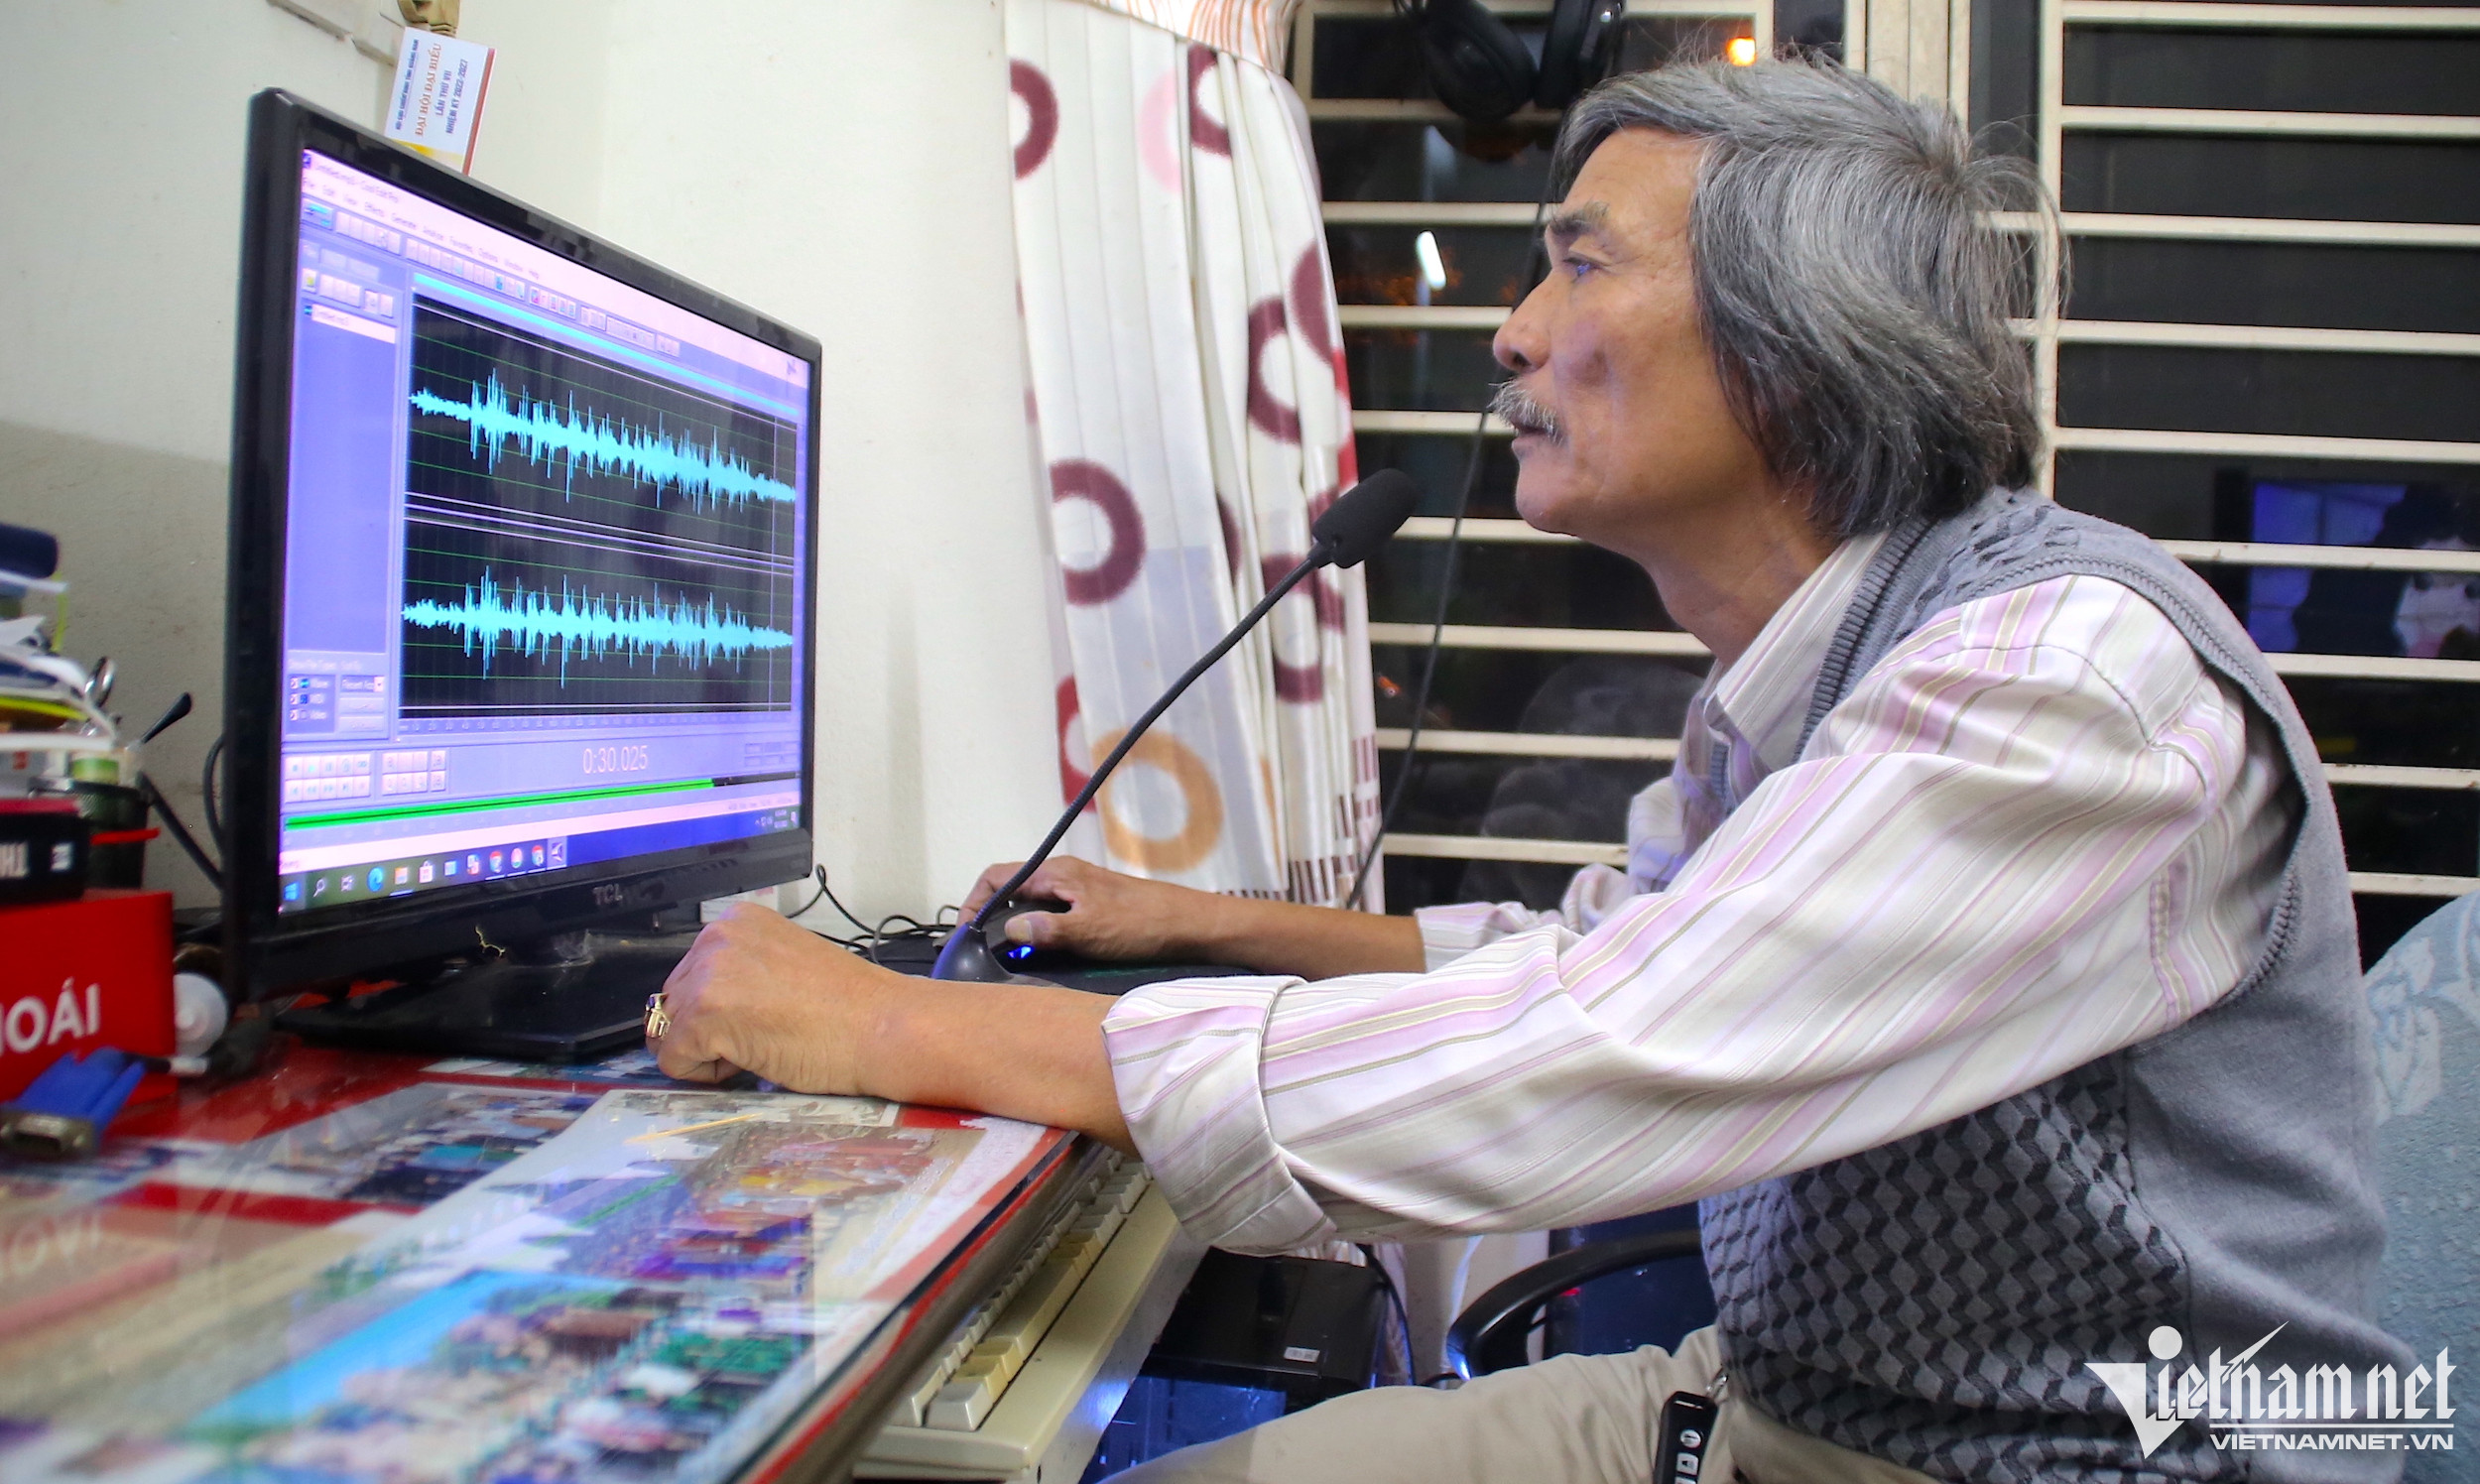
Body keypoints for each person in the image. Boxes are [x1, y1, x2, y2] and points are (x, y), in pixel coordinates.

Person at [649, 60, 2409, 1483]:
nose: (1507, 333)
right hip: (1784, 1403)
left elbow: (1598, 1046)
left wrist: (885, 1024)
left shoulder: (2064, 688)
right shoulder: (1792, 681)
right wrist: (1188, 920)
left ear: (1796, 345)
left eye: (1579, 263)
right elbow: (1598, 950)